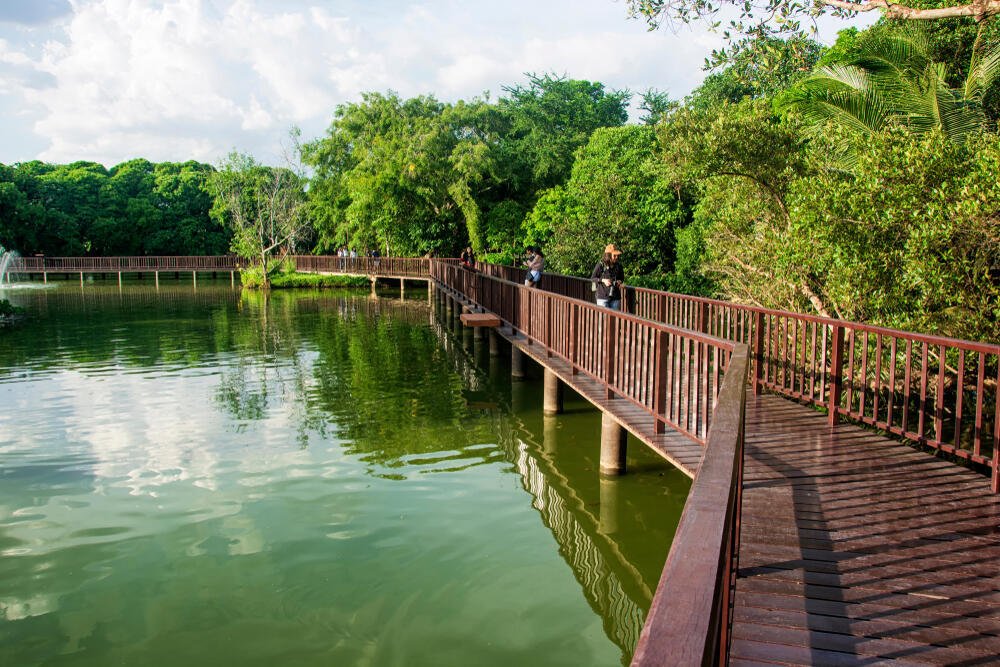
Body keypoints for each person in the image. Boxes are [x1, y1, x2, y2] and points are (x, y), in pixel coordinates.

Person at [591, 244, 625, 310]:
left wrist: (619, 281)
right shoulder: (601, 265)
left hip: (615, 297)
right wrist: (603, 280)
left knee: (615, 319)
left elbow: (622, 278)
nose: (616, 257)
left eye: (617, 255)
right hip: (602, 297)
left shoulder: (618, 266)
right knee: (603, 319)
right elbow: (593, 278)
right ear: (608, 255)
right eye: (614, 255)